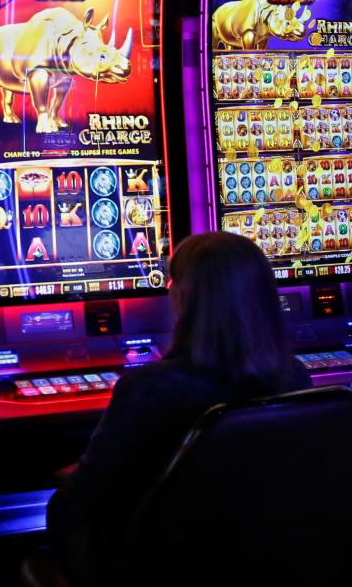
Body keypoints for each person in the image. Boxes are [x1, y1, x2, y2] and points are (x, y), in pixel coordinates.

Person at [47, 231, 309, 586]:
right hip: (259, 558)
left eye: (173, 281)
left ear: (186, 299)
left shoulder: (147, 388)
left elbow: (88, 495)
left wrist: (69, 479)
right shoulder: (296, 378)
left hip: (154, 565)